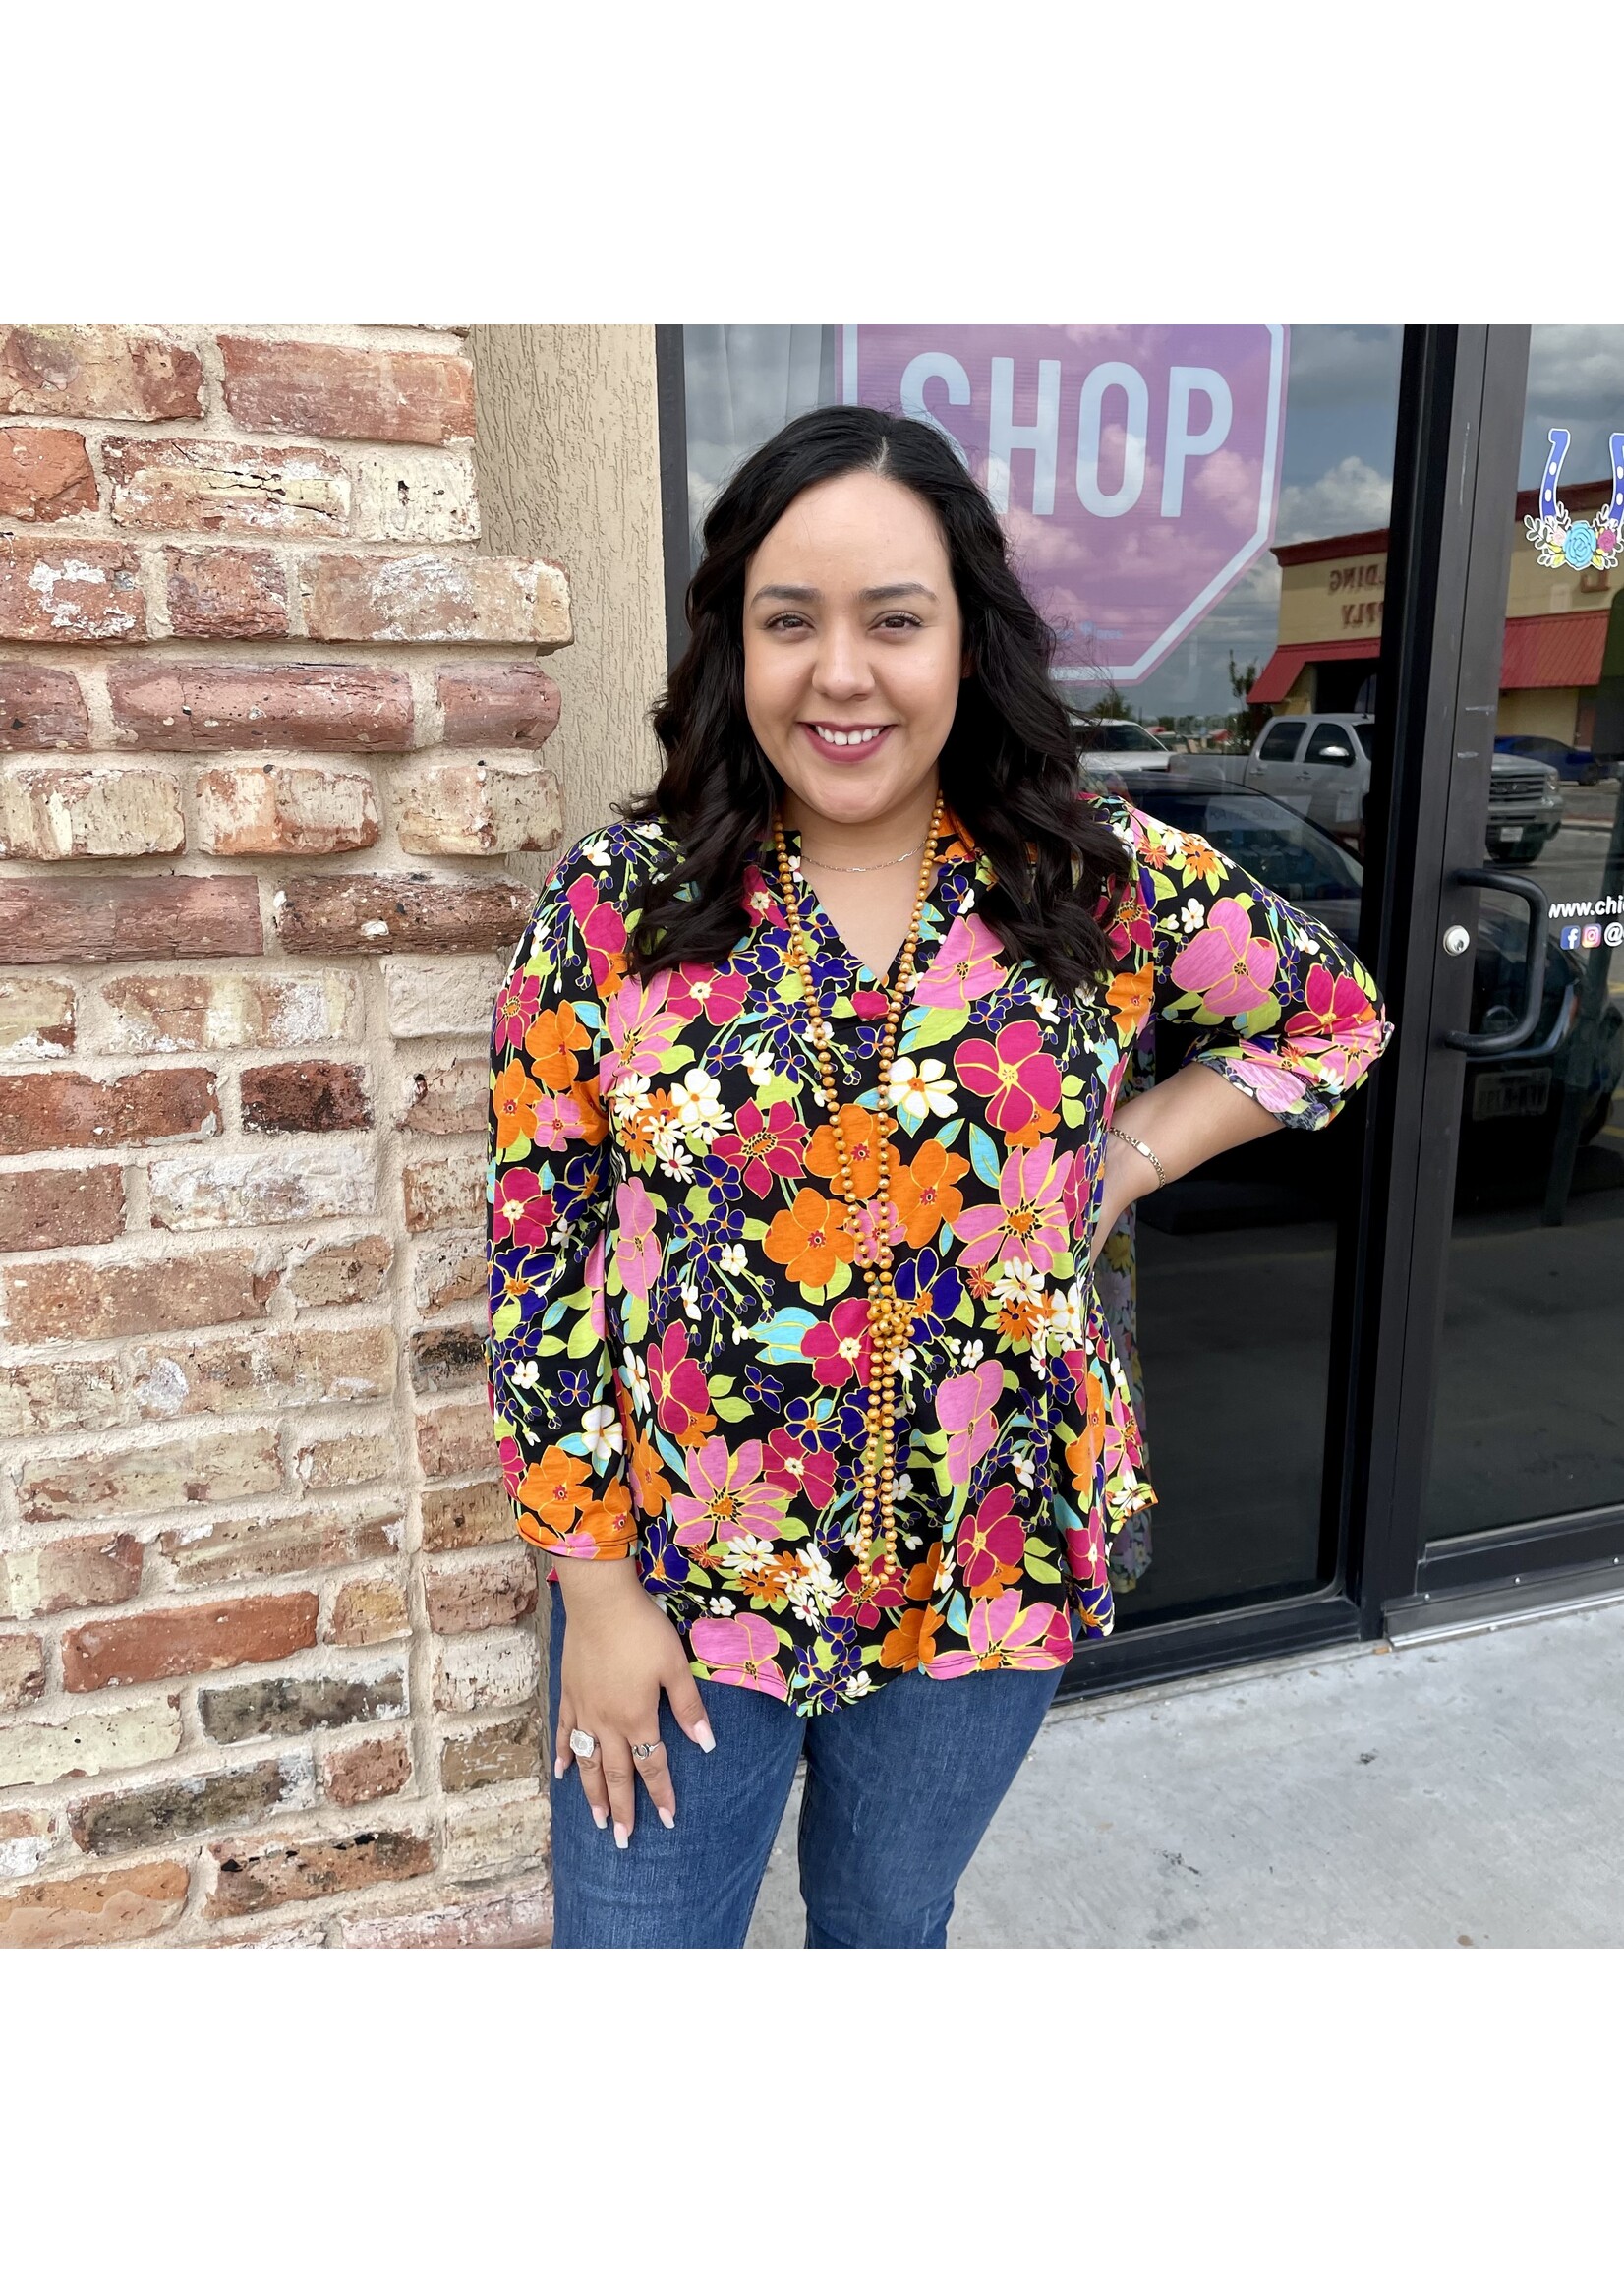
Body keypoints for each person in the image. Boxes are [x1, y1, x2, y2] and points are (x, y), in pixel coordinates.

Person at [486, 404, 1392, 1948]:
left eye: (894, 620)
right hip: (693, 1577)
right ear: (734, 647)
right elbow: (541, 1262)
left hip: (990, 1549)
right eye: (793, 623)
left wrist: (1129, 1150)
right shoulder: (617, 906)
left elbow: (1330, 1020)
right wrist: (594, 1591)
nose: (843, 673)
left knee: (890, 1929)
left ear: (969, 640)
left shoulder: (1090, 876)